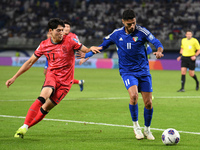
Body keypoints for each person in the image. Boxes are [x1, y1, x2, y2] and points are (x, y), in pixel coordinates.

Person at [5, 18, 101, 138]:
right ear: (50, 31)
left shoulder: (71, 40)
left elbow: (85, 49)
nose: (61, 33)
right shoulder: (44, 45)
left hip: (66, 82)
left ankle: (26, 128)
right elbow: (30, 62)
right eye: (58, 30)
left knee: (46, 108)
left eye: (62, 30)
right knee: (43, 97)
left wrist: (90, 50)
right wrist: (14, 77)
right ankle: (24, 126)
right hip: (52, 76)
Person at [77, 9, 164, 140]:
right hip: (127, 71)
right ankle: (136, 126)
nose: (132, 26)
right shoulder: (116, 34)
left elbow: (157, 42)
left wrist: (159, 51)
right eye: (129, 24)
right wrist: (89, 54)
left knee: (148, 103)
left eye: (134, 23)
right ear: (123, 22)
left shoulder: (142, 31)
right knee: (134, 96)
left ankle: (147, 129)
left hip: (143, 71)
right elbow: (102, 46)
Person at [44, 21, 84, 91]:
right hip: (52, 57)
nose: (66, 28)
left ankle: (52, 88)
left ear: (70, 28)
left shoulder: (73, 36)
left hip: (65, 60)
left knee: (63, 77)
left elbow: (79, 46)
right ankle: (51, 87)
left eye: (68, 27)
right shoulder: (58, 34)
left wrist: (82, 56)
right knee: (46, 73)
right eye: (65, 26)